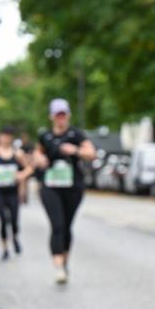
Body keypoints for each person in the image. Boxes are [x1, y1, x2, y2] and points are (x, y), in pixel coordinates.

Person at [33, 98, 95, 283]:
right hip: (51, 187)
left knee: (67, 226)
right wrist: (39, 159)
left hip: (72, 187)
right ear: (52, 116)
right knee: (57, 225)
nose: (61, 118)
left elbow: (91, 153)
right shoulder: (45, 136)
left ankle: (65, 261)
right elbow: (37, 152)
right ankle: (58, 267)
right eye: (58, 115)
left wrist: (75, 150)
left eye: (64, 114)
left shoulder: (76, 134)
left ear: (68, 115)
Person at [0, 126, 33, 260]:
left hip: (13, 192)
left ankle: (15, 237)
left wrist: (21, 175)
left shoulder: (18, 154)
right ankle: (5, 248)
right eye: (3, 135)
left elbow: (29, 168)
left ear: (11, 137)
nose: (5, 138)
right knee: (3, 220)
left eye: (8, 135)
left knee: (15, 220)